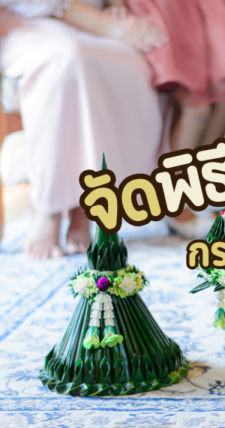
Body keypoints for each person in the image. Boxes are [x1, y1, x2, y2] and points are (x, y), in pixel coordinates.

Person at [0, 0, 165, 258]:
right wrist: (105, 26)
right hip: (25, 22)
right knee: (65, 58)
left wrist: (115, 5)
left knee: (133, 63)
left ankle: (88, 204)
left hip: (91, 20)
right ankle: (49, 207)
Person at [113, 0, 225, 237]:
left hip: (197, 10)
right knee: (196, 108)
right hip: (160, 12)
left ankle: (196, 190)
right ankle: (175, 204)